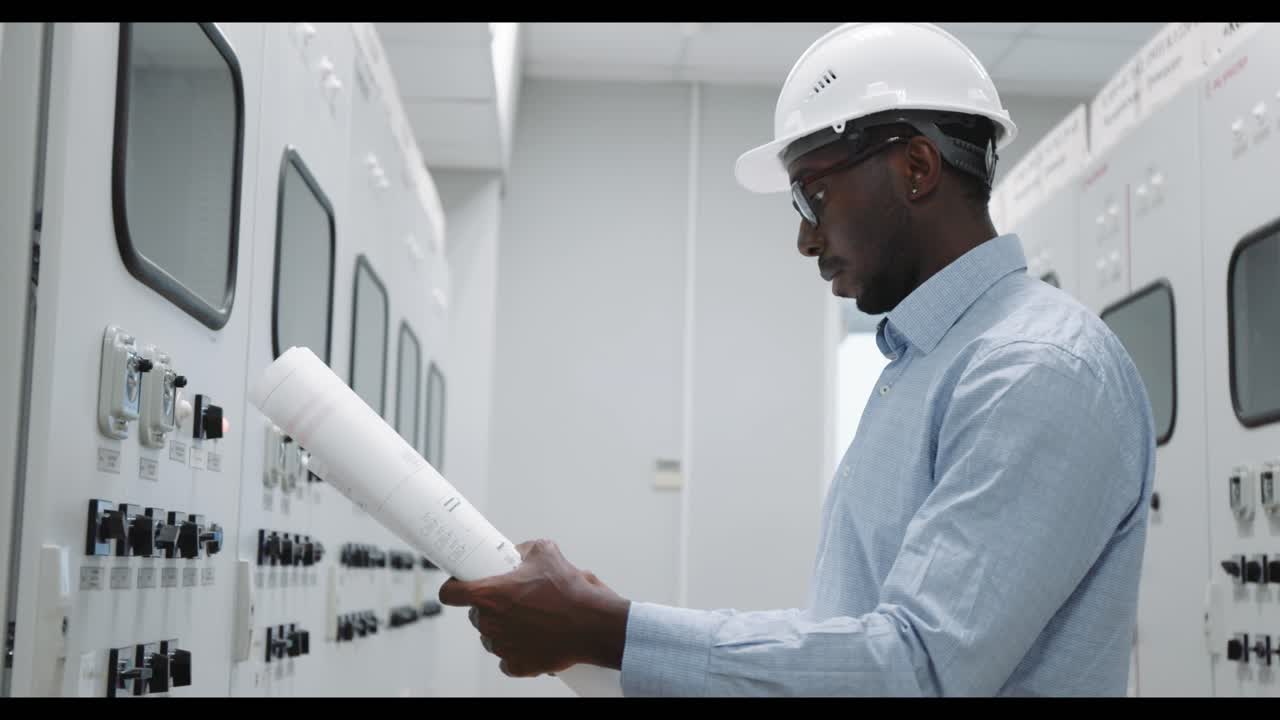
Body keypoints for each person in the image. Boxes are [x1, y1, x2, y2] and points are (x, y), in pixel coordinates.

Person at [439, 22, 1156, 696]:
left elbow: (916, 668)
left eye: (813, 196)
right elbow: (851, 632)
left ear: (916, 166)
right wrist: (609, 630)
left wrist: (610, 630)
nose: (806, 240)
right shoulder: (927, 366)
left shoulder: (1033, 370)